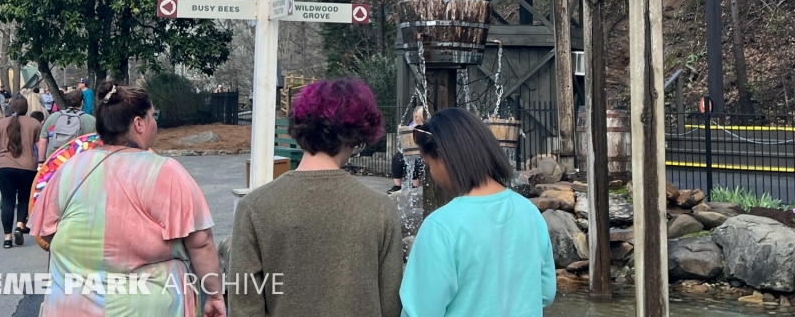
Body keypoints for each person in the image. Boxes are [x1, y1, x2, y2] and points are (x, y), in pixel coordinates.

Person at [29, 80, 225, 317]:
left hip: (70, 306)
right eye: (152, 116)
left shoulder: (70, 169)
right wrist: (214, 295)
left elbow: (46, 232)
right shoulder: (166, 172)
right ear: (139, 123)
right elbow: (200, 242)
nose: (155, 123)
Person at [229, 78, 402, 317]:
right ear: (357, 135)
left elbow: (244, 305)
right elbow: (391, 305)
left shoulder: (253, 208)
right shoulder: (381, 209)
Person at [400, 108, 556, 317]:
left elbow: (420, 311)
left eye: (429, 165)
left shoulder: (440, 226)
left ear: (442, 157)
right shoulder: (529, 212)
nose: (432, 174)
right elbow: (545, 293)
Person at [0, 95, 41, 248]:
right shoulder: (34, 123)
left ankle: (7, 238)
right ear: (26, 108)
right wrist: (41, 162)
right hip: (28, 167)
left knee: (8, 201)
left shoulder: (1, 123)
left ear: (11, 107)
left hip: (5, 166)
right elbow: (40, 146)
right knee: (24, 199)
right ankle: (19, 226)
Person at [37, 89, 96, 162]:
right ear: (82, 102)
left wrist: (41, 161)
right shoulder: (91, 120)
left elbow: (42, 140)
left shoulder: (53, 117)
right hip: (78, 162)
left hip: (54, 161)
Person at [389, 105, 426, 194]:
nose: (416, 118)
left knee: (416, 161)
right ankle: (397, 185)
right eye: (415, 116)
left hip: (422, 151)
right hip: (409, 150)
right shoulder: (411, 123)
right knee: (397, 158)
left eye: (418, 116)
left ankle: (415, 185)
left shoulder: (426, 125)